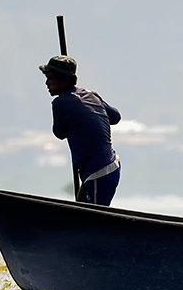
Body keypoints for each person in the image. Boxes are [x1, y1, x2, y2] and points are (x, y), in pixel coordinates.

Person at [41, 55, 123, 206]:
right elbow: (115, 116)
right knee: (79, 213)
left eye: (50, 78)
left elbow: (59, 133)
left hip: (99, 172)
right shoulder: (91, 95)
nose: (47, 83)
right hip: (102, 169)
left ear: (63, 79)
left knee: (94, 221)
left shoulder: (60, 103)